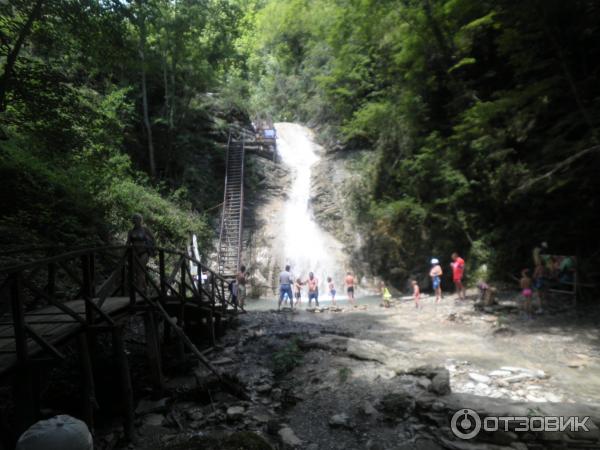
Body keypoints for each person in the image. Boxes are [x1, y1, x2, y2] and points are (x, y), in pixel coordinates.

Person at [126, 213, 155, 295]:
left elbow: (153, 239)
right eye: (133, 219)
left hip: (144, 252)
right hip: (134, 253)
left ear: (140, 220)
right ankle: (146, 289)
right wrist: (124, 253)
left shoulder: (145, 230)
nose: (134, 220)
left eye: (136, 219)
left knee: (140, 270)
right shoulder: (130, 231)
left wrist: (151, 248)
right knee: (136, 271)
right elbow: (128, 243)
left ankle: (138, 291)